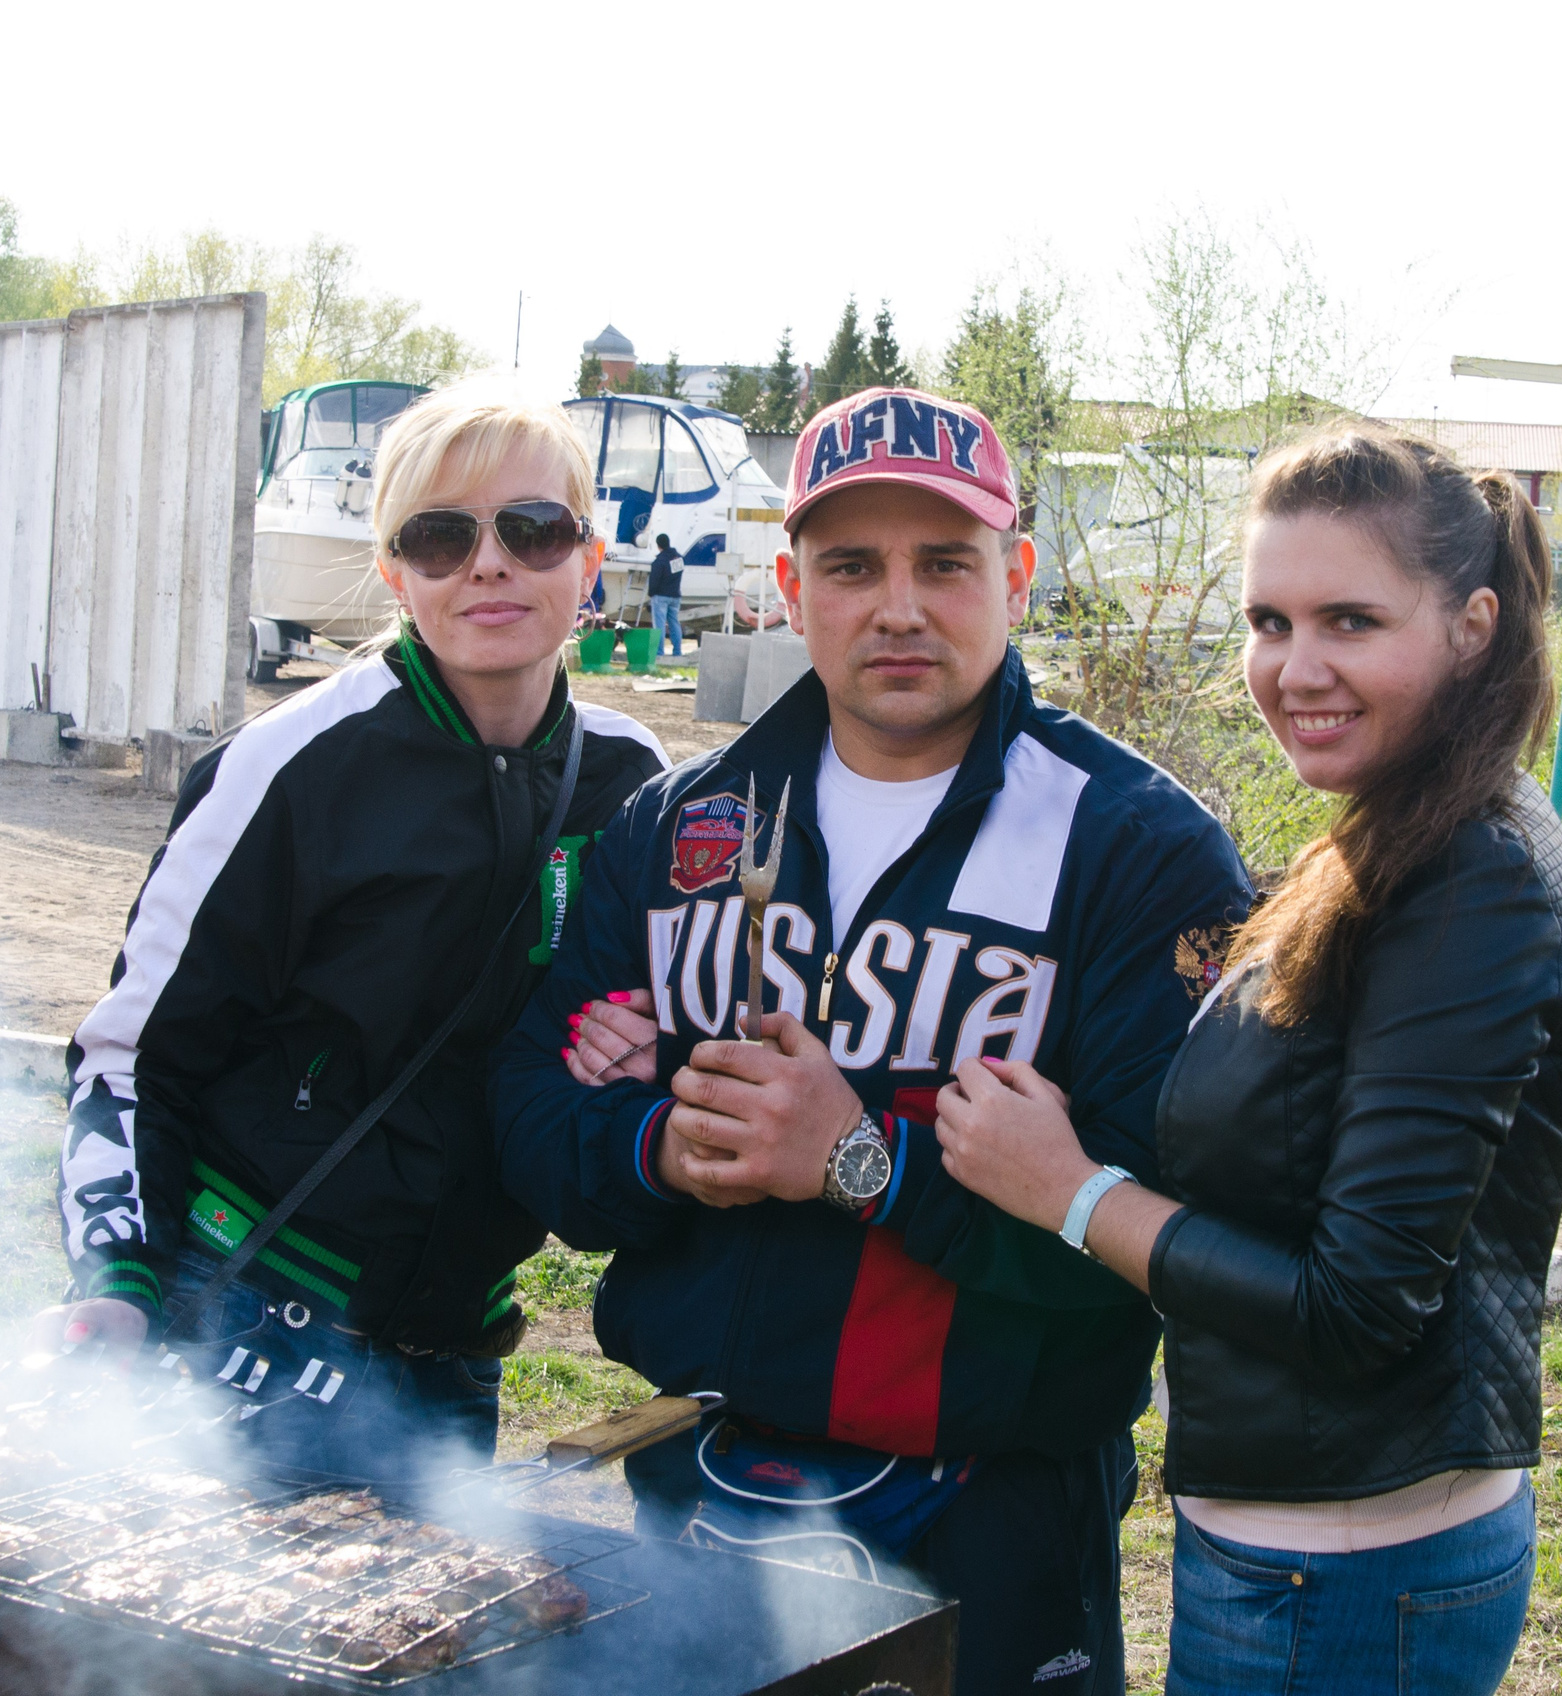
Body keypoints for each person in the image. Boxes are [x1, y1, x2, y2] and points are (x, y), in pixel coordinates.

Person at [492, 387, 1251, 1696]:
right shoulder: (680, 831)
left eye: (943, 562)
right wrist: (668, 1146)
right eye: (853, 566)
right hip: (705, 1486)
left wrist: (859, 1162)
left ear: (1015, 573)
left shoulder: (1143, 848)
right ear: (792, 588)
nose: (898, 606)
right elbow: (529, 1114)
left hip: (995, 1520)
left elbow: (1169, 1233)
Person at [932, 423, 1562, 1696]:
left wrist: (1066, 1191)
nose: (1295, 667)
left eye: (1349, 620)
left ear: (1470, 625)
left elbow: (1354, 1307)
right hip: (1311, 1542)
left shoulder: (1471, 885)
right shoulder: (1394, 839)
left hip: (1343, 1571)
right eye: (1268, 620)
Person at [32, 387, 666, 1479]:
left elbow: (658, 1033)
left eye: (533, 528)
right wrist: (117, 1283)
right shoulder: (289, 766)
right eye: (438, 535)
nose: (488, 564)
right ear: (392, 570)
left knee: (415, 1646)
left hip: (457, 1352)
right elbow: (133, 1058)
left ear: (589, 558)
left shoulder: (634, 784)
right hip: (246, 1321)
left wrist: (642, 1056)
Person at [648, 531, 686, 658]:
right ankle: (677, 651)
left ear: (658, 545)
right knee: (674, 623)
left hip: (661, 596)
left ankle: (659, 652)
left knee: (659, 625)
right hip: (675, 595)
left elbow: (654, 580)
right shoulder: (678, 558)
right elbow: (677, 575)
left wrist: (651, 593)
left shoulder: (659, 561)